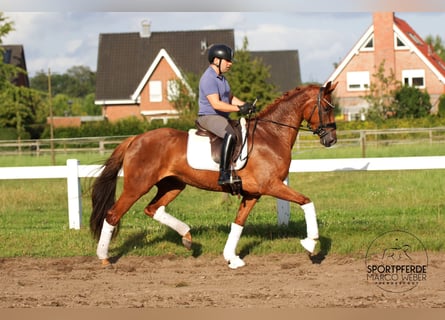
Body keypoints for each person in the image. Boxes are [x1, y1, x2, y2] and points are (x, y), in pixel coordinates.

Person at [197, 44, 254, 186]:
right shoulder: (208, 78)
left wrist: (246, 106)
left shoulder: (222, 79)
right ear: (217, 60)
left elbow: (230, 98)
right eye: (227, 60)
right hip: (208, 117)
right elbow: (216, 104)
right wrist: (238, 109)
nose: (230, 64)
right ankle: (223, 174)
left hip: (221, 116)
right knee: (230, 134)